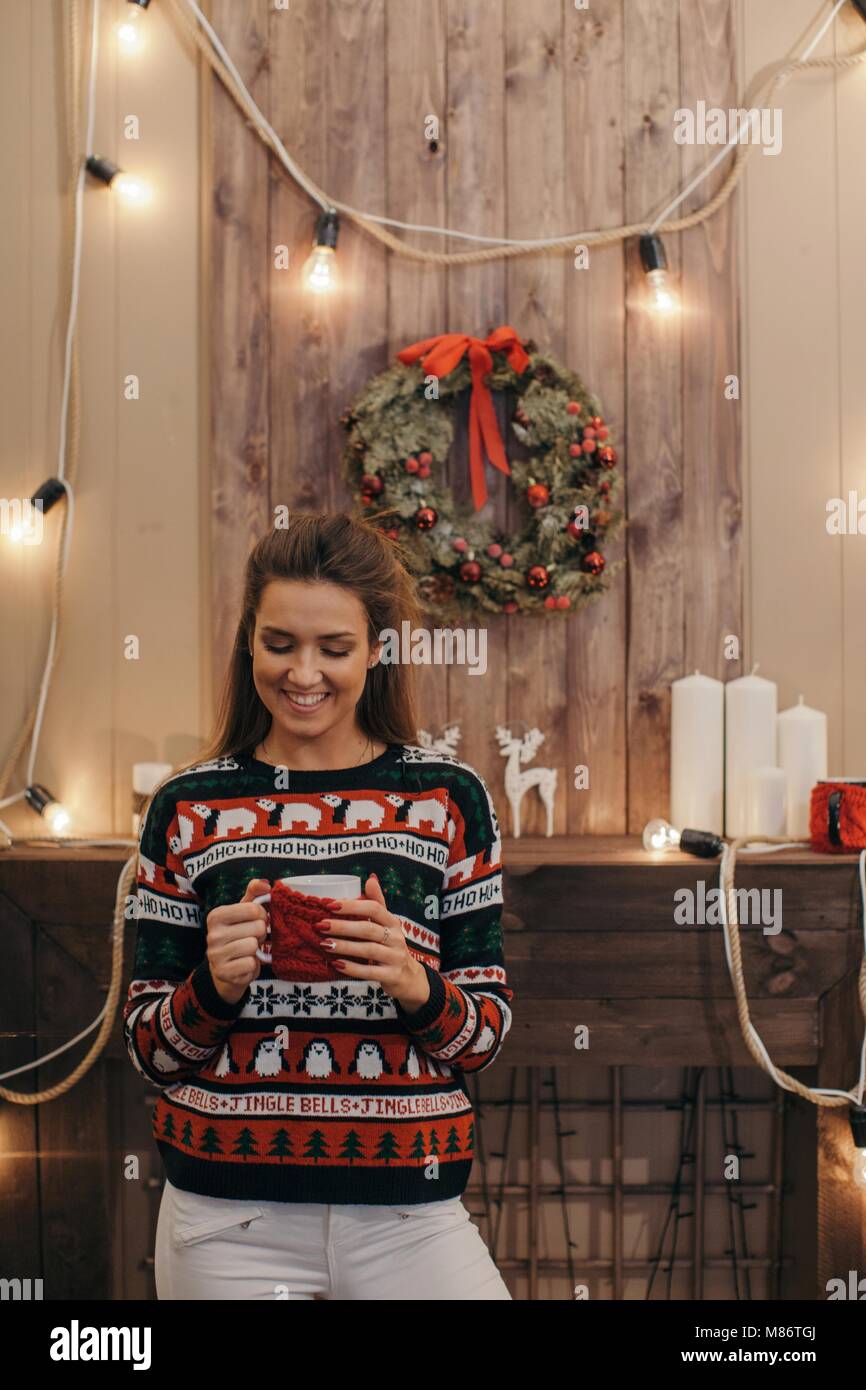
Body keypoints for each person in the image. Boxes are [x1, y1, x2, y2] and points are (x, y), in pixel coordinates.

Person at [124, 510, 513, 1300]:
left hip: (410, 1213)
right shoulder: (187, 806)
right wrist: (212, 989)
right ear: (249, 641)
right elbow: (147, 1050)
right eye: (280, 644)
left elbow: (485, 1037)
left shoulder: (446, 798)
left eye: (334, 649)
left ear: (376, 649)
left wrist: (413, 983)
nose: (304, 673)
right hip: (229, 1218)